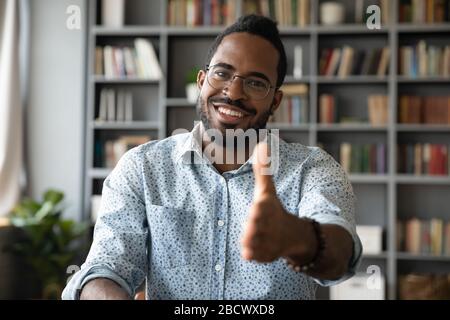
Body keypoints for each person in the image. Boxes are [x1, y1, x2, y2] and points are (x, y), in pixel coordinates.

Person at [63, 14, 362, 300]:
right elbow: (104, 268)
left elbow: (339, 256)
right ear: (202, 80)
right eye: (222, 73)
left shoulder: (311, 169)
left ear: (276, 101)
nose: (233, 92)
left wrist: (296, 237)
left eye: (256, 83)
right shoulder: (142, 167)